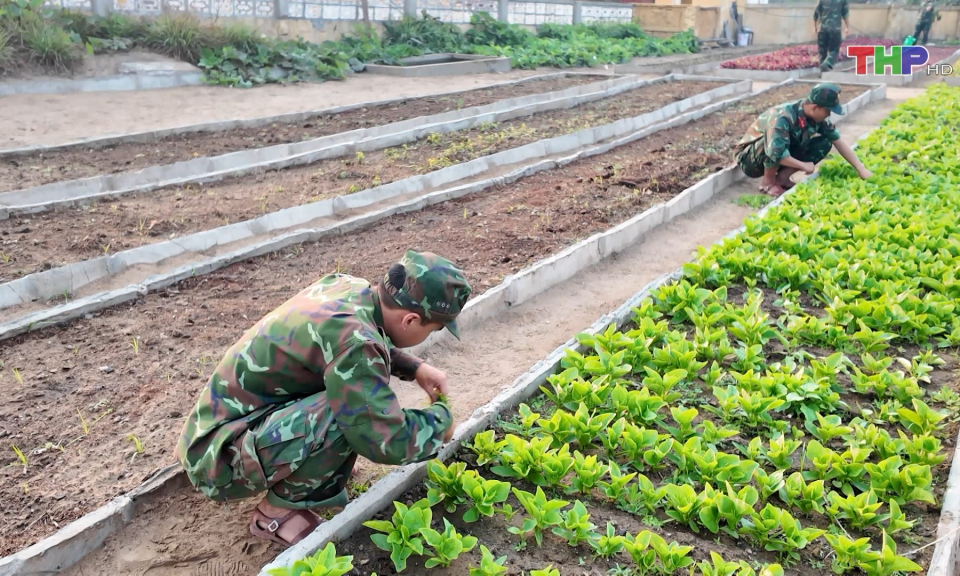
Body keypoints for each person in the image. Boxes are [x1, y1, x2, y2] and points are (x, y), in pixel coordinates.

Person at [176, 250, 471, 547]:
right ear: (409, 320)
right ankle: (275, 512)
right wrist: (440, 423)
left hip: (218, 432)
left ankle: (315, 464)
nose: (432, 334)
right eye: (434, 328)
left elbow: (354, 345)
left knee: (355, 399)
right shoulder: (356, 342)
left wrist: (414, 367)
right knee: (353, 415)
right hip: (218, 459)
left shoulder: (349, 288)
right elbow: (385, 438)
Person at [734, 83, 872, 197]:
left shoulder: (817, 118)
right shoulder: (783, 117)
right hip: (749, 159)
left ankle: (782, 178)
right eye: (827, 111)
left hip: (775, 153)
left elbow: (838, 141)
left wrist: (861, 169)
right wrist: (802, 165)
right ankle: (768, 182)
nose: (829, 114)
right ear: (815, 108)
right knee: (776, 144)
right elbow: (775, 152)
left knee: (824, 142)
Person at [813, 0, 849, 72]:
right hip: (835, 29)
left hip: (822, 29)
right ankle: (826, 64)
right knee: (834, 50)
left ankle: (822, 73)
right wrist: (847, 27)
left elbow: (815, 14)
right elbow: (845, 14)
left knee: (822, 52)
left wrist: (815, 27)